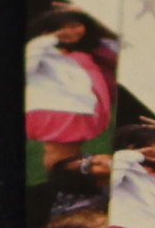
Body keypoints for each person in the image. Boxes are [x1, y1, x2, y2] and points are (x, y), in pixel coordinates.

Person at [23, 9, 115, 177]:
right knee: (62, 156)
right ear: (46, 32)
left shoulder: (83, 52)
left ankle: (68, 184)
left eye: (75, 26)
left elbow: (118, 41)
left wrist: (87, 11)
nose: (70, 31)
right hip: (59, 110)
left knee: (72, 155)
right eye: (63, 28)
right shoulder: (43, 52)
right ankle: (61, 186)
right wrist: (50, 39)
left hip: (78, 111)